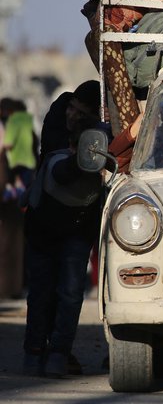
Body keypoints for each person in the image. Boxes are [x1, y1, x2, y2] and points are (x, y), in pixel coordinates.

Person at [22, 111, 105, 378]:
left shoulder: (102, 168)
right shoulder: (59, 161)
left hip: (76, 236)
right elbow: (64, 174)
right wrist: (86, 160)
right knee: (42, 293)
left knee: (69, 296)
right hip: (44, 236)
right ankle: (35, 352)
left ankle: (58, 353)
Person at [39, 80, 103, 165]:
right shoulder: (57, 118)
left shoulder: (96, 133)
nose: (72, 116)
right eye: (71, 107)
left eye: (81, 114)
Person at [2, 99, 36, 201]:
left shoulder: (13, 121)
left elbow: (8, 144)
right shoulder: (28, 122)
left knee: (12, 194)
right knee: (26, 192)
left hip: (16, 162)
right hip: (29, 161)